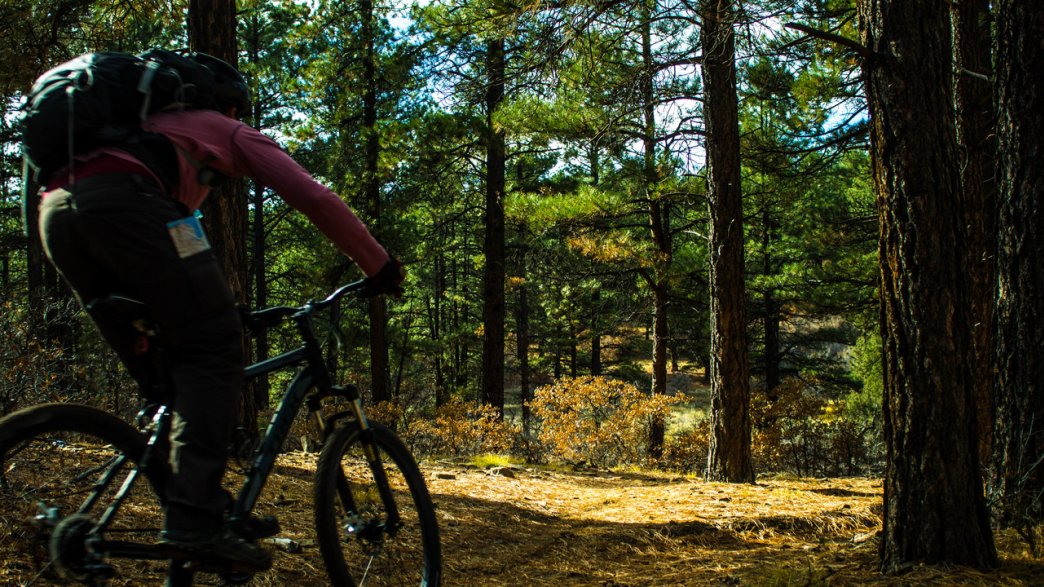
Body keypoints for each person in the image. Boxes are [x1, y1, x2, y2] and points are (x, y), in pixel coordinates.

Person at [36, 53, 404, 571]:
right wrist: (379, 265)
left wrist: (221, 305)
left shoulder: (138, 134)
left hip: (58, 213)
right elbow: (313, 197)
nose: (240, 119)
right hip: (126, 206)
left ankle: (201, 507)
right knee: (214, 350)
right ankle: (193, 520)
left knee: (172, 383)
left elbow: (183, 233)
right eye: (238, 108)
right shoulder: (221, 130)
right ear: (222, 103)